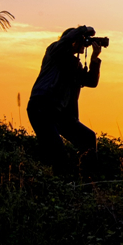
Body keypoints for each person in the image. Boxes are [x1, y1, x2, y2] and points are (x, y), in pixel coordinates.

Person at [27, 25, 103, 175]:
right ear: (72, 40)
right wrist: (83, 29)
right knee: (57, 151)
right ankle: (55, 185)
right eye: (81, 40)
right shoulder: (54, 51)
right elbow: (65, 41)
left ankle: (89, 183)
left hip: (60, 113)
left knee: (88, 138)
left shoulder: (75, 64)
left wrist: (94, 59)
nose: (84, 43)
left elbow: (91, 82)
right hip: (41, 107)